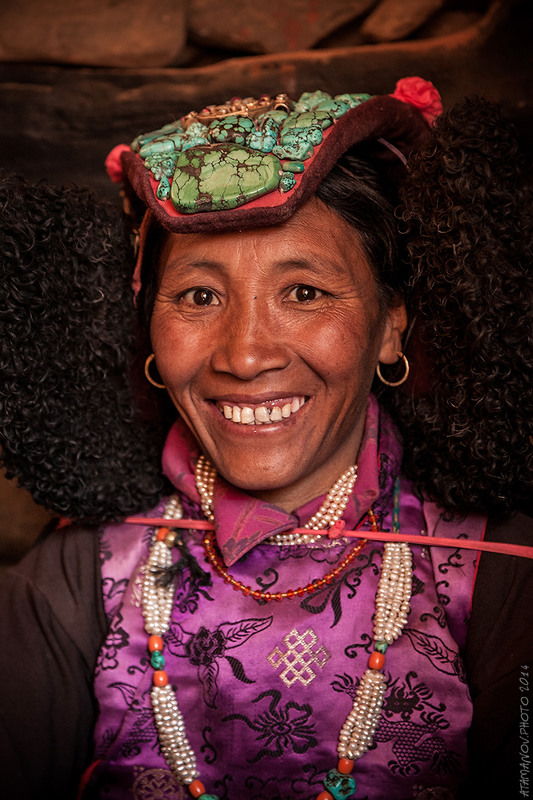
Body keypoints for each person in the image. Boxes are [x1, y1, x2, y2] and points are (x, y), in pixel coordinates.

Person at [0, 77, 531, 800]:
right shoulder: (77, 573)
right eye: (198, 296)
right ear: (146, 329)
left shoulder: (497, 571)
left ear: (389, 325)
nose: (244, 356)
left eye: (303, 292)